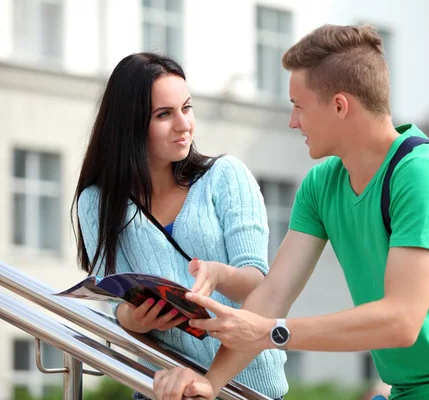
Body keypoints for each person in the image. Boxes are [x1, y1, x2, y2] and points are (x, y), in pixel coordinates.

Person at [152, 24, 429, 400]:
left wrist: (272, 332)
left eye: (298, 107)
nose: (292, 121)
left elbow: (401, 320)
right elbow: (273, 293)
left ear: (340, 106)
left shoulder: (424, 174)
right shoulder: (321, 185)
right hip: (410, 391)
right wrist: (212, 381)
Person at [71, 52, 288, 400]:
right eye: (164, 114)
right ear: (130, 123)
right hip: (165, 389)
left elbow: (257, 285)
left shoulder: (226, 176)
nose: (183, 124)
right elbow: (114, 304)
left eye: (187, 108)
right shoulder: (98, 203)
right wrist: (136, 318)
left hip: (246, 389)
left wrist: (218, 274)